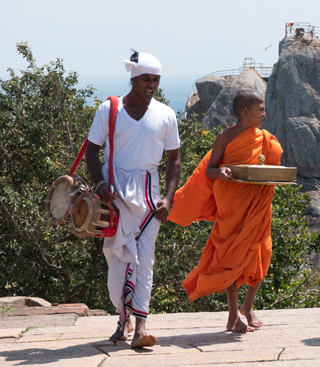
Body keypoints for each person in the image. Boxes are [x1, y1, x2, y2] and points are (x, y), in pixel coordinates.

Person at [85, 51, 181, 348]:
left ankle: (140, 327)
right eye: (146, 79)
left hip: (150, 199)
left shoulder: (166, 114)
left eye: (155, 79)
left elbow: (174, 160)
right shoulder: (109, 110)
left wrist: (168, 197)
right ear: (134, 79)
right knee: (116, 259)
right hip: (115, 196)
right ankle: (122, 317)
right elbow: (91, 151)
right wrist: (100, 184)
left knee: (144, 260)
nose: (151, 84)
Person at [168, 90, 282, 333]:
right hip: (232, 206)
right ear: (245, 112)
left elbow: (272, 167)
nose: (264, 113)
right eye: (260, 109)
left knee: (263, 251)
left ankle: (248, 306)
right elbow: (210, 170)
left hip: (258, 204)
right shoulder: (226, 137)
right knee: (231, 255)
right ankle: (233, 316)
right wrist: (220, 173)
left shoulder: (264, 138)